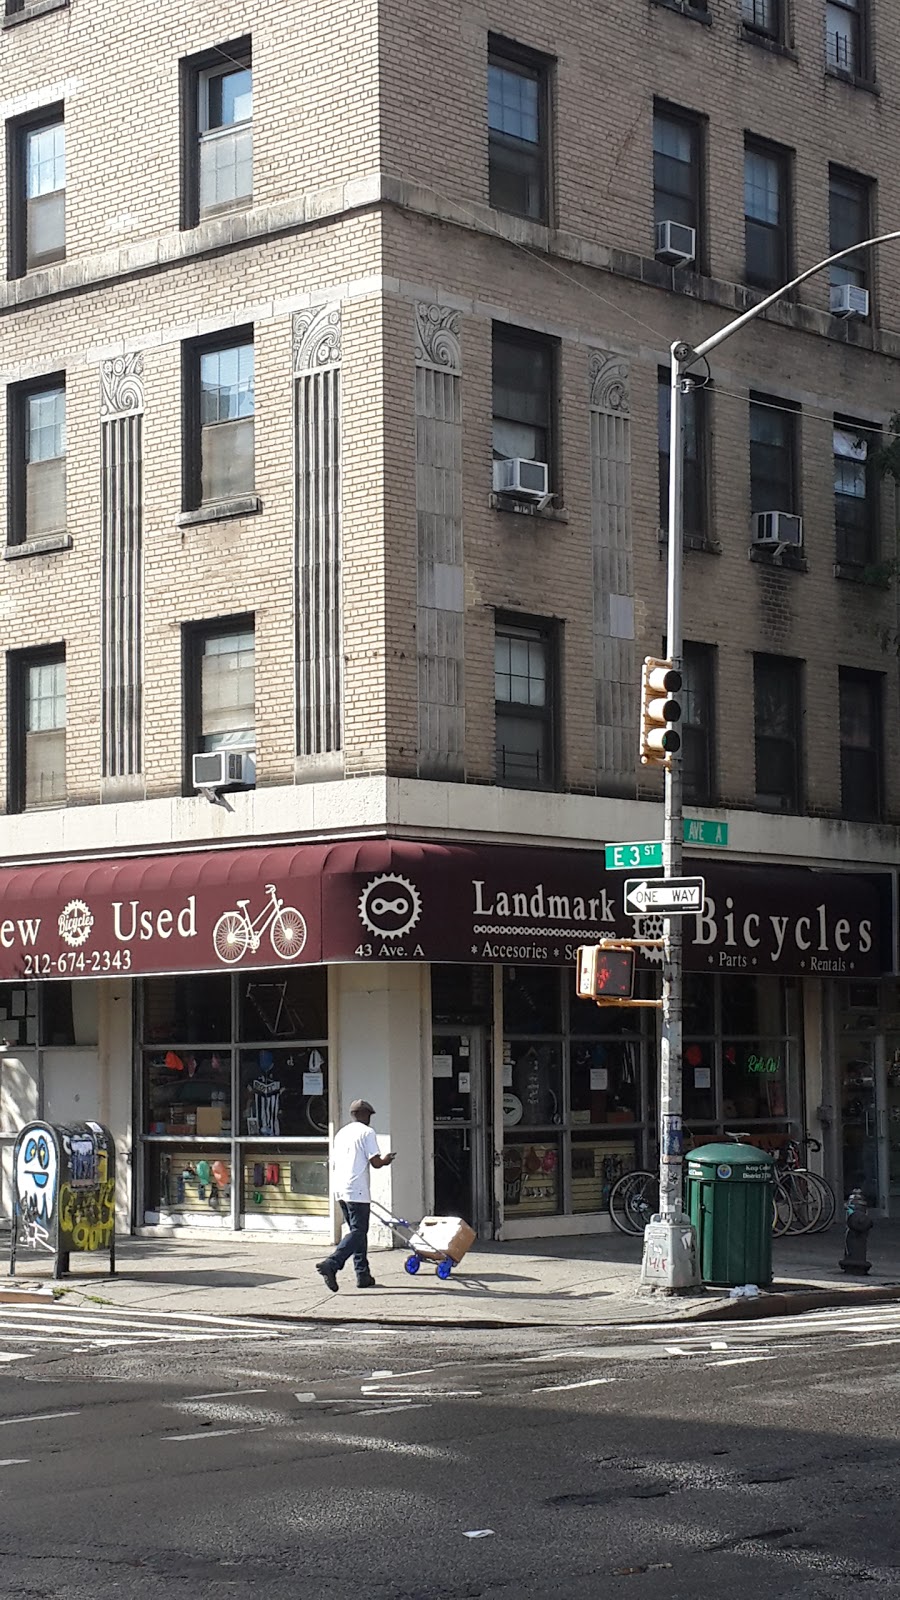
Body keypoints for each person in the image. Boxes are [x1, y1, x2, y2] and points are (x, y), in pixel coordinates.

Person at [316, 1099, 395, 1292]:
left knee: (356, 1233)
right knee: (359, 1231)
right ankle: (332, 1263)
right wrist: (386, 1160)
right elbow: (375, 1162)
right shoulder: (367, 1133)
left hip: (340, 1188)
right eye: (369, 1115)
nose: (370, 1119)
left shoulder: (342, 1133)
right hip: (357, 1189)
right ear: (364, 1115)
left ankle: (363, 1275)